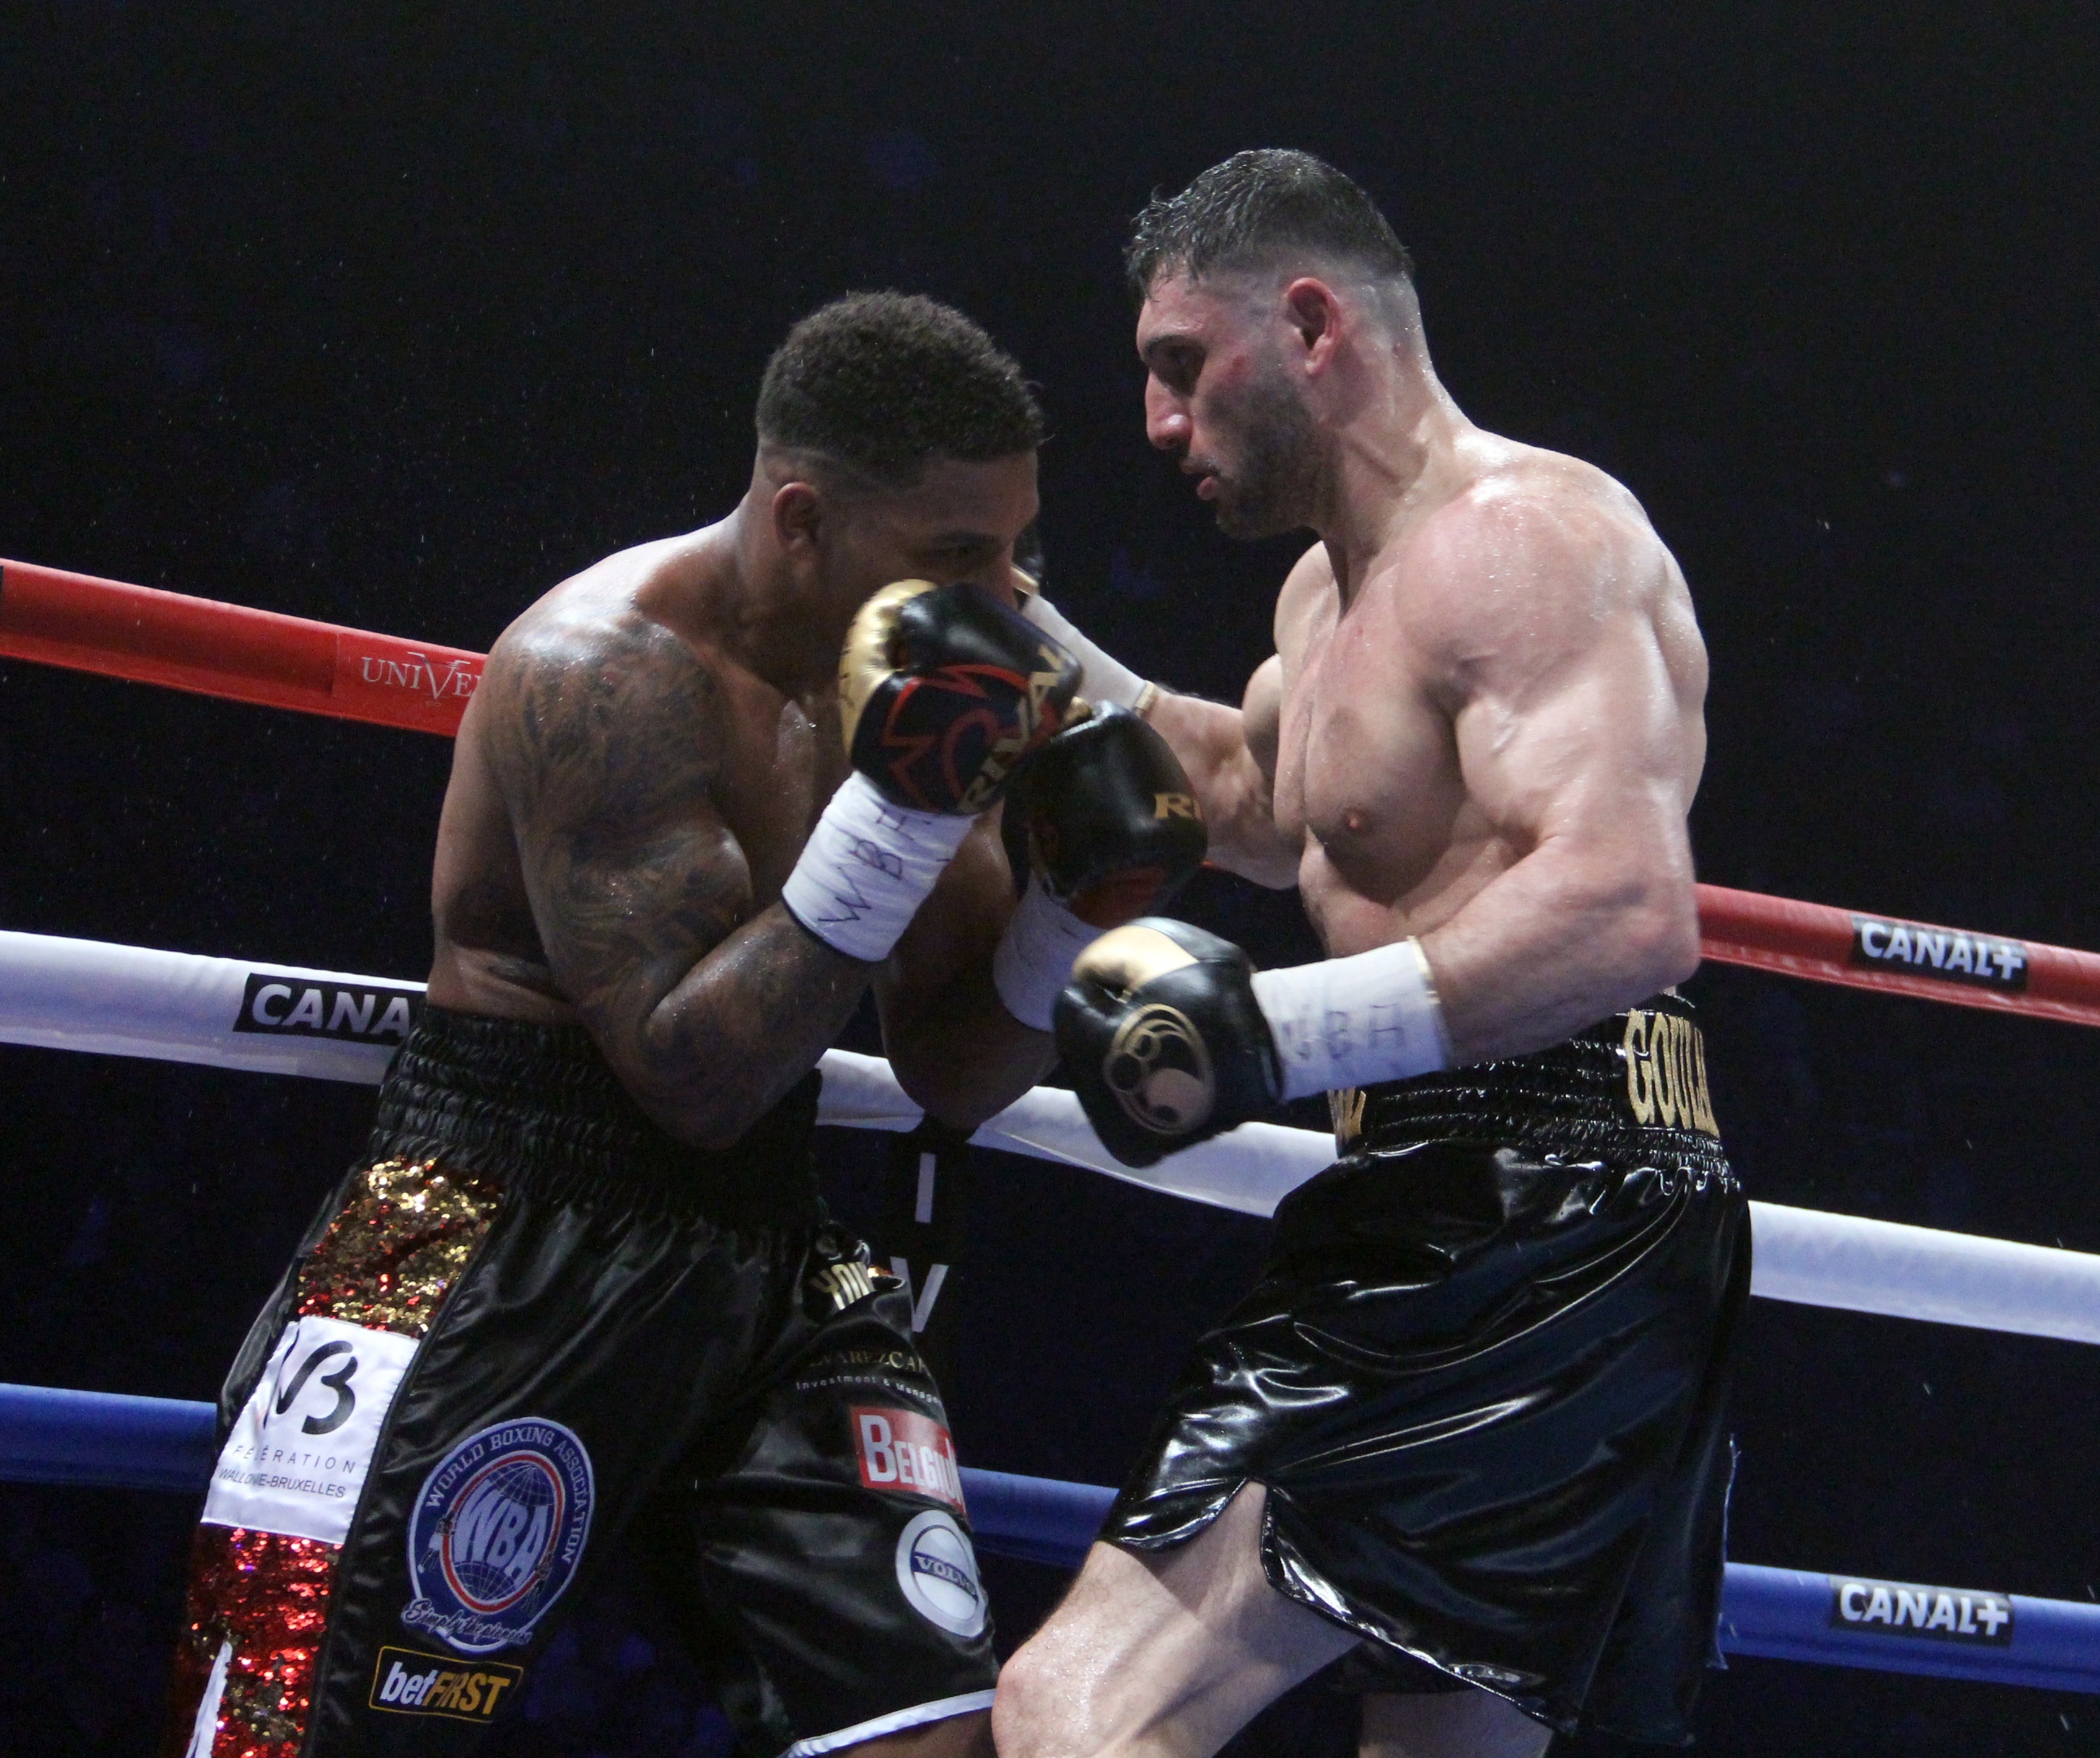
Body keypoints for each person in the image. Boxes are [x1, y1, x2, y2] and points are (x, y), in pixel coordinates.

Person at [163, 291, 1203, 1758]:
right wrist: (901, 815)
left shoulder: (915, 685)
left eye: (1016, 547)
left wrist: (1066, 918)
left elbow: (953, 1075)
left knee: (927, 1737)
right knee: (308, 1728)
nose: (1010, 598)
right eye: (957, 555)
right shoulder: (604, 672)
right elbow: (689, 1075)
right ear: (802, 521)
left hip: (770, 1243)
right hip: (504, 1228)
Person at [996, 152, 1749, 1756]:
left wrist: (1267, 1038)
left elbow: (1627, 904)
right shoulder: (1320, 599)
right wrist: (1021, 642)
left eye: (1182, 366)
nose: (1157, 424)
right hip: (1482, 1192)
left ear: (1312, 324)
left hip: (1542, 1193)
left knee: (1074, 1710)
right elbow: (1271, 807)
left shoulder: (1522, 540)